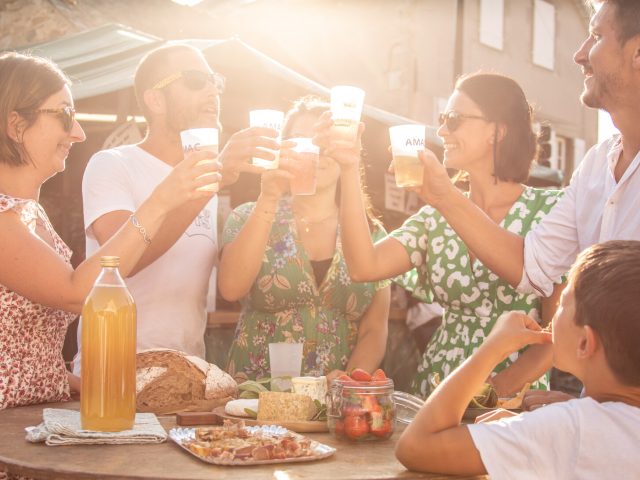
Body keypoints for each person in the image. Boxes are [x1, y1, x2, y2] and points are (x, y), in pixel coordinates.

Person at [413, 1, 640, 404]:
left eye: (597, 35)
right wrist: (444, 196)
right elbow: (531, 265)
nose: (579, 53)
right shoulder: (593, 166)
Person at [316, 72, 564, 398]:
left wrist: (493, 393)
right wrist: (348, 168)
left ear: (498, 130)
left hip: (512, 401)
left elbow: (559, 332)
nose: (442, 130)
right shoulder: (437, 215)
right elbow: (365, 266)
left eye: (454, 119)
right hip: (436, 388)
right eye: (442, 119)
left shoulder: (550, 210)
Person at [0, 52, 216, 410]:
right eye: (64, 115)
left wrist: (93, 386)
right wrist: (160, 202)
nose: (79, 132)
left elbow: (24, 355)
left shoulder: (29, 216)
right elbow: (76, 294)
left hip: (27, 425)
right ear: (16, 125)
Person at [72, 44, 277, 373]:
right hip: (111, 373)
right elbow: (122, 262)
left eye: (215, 81)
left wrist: (273, 197)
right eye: (196, 80)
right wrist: (215, 177)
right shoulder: (113, 164)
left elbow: (229, 284)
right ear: (155, 100)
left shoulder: (208, 179)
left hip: (186, 376)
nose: (212, 90)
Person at [395, 240, 640, 479]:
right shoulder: (563, 429)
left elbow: (416, 446)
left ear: (585, 343)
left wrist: (493, 348)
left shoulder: (566, 430)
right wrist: (531, 431)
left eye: (562, 304)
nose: (552, 317)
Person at [218, 96, 390, 381]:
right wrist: (269, 195)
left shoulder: (370, 233)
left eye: (325, 140)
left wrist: (349, 380)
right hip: (257, 394)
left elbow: (375, 327)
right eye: (300, 141)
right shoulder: (248, 216)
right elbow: (231, 289)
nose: (315, 151)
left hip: (335, 401)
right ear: (282, 150)